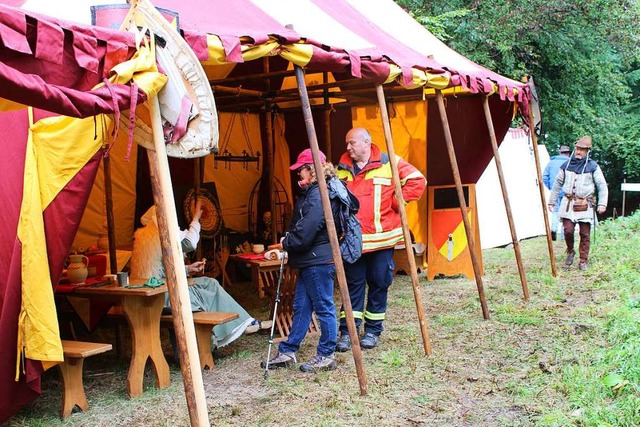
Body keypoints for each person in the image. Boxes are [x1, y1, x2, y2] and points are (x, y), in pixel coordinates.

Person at [129, 201, 268, 351]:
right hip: (162, 295)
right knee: (205, 291)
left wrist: (188, 269)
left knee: (209, 283)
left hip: (158, 289)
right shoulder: (161, 234)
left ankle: (242, 323)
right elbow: (189, 243)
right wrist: (196, 217)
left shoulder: (144, 237)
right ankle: (228, 331)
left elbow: (164, 268)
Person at [335, 127, 426, 351]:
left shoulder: (390, 162)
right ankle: (348, 332)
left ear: (367, 143)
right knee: (352, 287)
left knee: (379, 284)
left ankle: (373, 331)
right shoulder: (341, 169)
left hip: (382, 241)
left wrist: (397, 202)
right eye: (347, 143)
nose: (348, 147)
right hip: (353, 241)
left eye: (352, 143)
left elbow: (417, 181)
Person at [263, 148, 346, 372]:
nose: (297, 174)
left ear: (311, 170)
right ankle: (289, 350)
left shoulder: (319, 194)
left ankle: (326, 355)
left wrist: (287, 242)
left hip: (318, 261)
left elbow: (307, 230)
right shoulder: (315, 192)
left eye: (300, 170)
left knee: (324, 307)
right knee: (301, 306)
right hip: (312, 260)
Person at [548, 135, 608, 270]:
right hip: (568, 204)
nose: (579, 152)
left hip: (585, 204)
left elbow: (602, 185)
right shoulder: (567, 165)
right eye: (577, 149)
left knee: (584, 233)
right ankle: (570, 251)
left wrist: (602, 203)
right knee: (568, 231)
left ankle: (583, 260)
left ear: (587, 151)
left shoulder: (593, 166)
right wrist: (552, 202)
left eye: (582, 150)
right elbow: (557, 183)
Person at [543, 145, 571, 240]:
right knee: (565, 213)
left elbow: (544, 177)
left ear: (559, 152)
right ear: (568, 153)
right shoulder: (570, 162)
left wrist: (551, 187)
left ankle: (554, 230)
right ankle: (564, 234)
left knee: (555, 211)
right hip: (567, 192)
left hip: (555, 192)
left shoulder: (551, 163)